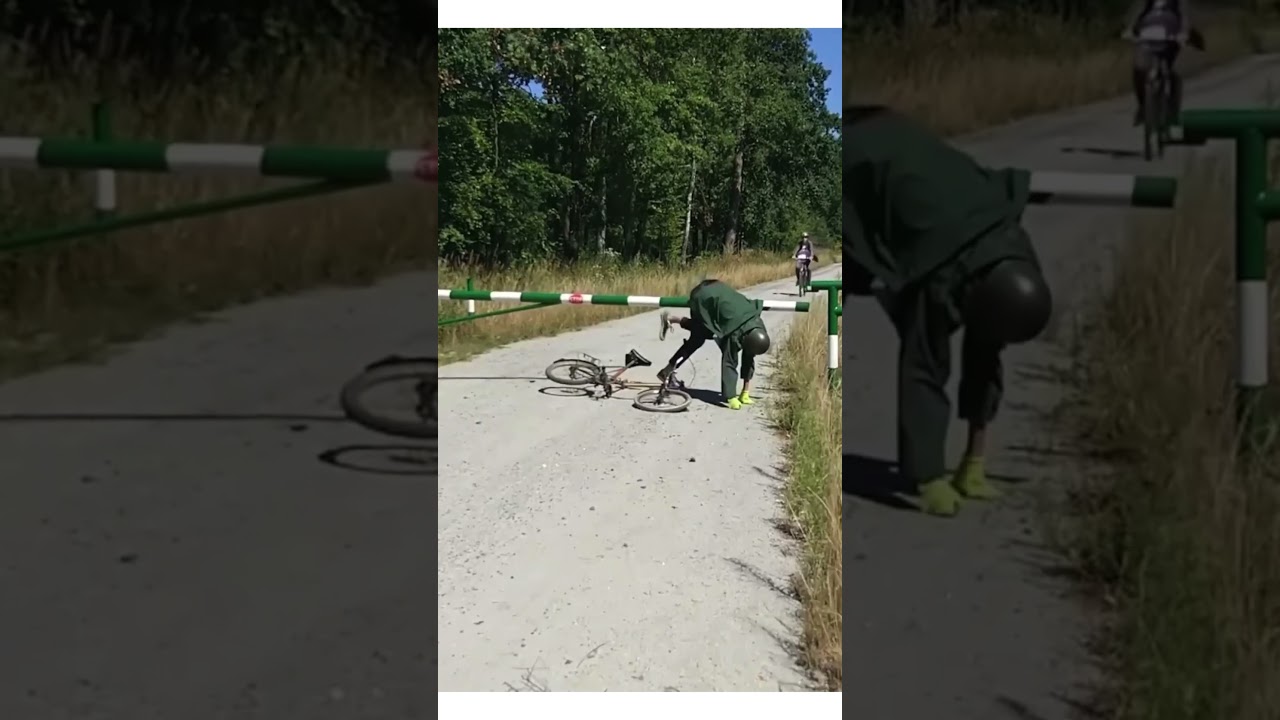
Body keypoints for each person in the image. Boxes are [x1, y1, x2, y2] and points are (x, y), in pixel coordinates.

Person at [844, 104, 1053, 518]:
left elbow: (987, 354)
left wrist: (974, 460)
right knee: (849, 290)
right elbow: (924, 368)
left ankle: (971, 465)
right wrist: (928, 477)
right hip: (856, 166)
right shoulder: (940, 277)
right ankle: (926, 472)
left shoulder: (1012, 249)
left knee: (986, 347)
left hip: (909, 166)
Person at [657, 279, 772, 410]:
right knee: (698, 336)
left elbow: (749, 357)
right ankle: (667, 369)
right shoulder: (736, 334)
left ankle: (672, 322)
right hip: (705, 297)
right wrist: (731, 397)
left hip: (716, 289)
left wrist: (745, 392)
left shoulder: (756, 325)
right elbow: (729, 362)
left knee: (700, 333)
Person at [1121, 0, 1202, 126]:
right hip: (1148, 36)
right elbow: (1137, 14)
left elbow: (1185, 15)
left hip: (1170, 37)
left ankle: (1172, 112)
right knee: (1139, 68)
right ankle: (1143, 106)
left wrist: (1184, 33)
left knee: (1172, 73)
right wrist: (1130, 29)